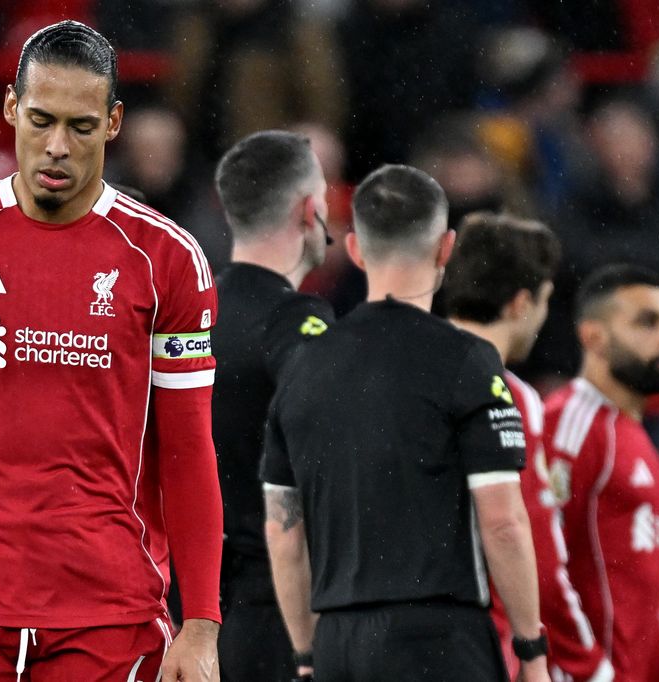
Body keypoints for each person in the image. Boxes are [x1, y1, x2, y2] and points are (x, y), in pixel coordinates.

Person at [0, 21, 222, 682]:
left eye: (81, 127)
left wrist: (200, 621)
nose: (57, 147)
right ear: (9, 108)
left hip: (111, 616)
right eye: (41, 120)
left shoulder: (166, 259)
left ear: (113, 124)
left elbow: (187, 450)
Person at [261, 165, 550, 682]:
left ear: (355, 249)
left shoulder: (301, 367)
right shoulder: (466, 360)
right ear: (445, 248)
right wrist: (531, 648)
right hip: (439, 640)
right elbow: (503, 521)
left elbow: (284, 532)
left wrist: (306, 655)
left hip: (338, 642)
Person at [439, 212, 613, 682]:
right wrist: (588, 667)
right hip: (475, 647)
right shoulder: (509, 397)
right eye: (545, 301)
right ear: (521, 303)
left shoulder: (395, 377)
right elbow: (532, 550)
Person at [211, 130, 335, 682]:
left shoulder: (186, 312)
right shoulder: (295, 323)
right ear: (310, 211)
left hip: (187, 604)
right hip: (277, 611)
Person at [543, 264, 659, 682]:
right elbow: (538, 566)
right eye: (649, 322)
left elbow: (644, 599)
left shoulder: (631, 435)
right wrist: (589, 672)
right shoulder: (569, 425)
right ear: (594, 337)